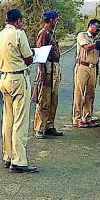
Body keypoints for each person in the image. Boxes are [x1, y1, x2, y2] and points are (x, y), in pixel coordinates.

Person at [0, 8, 38, 173]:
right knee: (20, 119)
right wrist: (33, 53)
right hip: (18, 78)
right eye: (22, 21)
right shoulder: (19, 34)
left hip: (4, 77)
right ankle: (19, 160)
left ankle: (8, 155)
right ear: (18, 21)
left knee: (8, 119)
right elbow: (28, 59)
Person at [33, 11, 63, 139]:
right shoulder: (43, 33)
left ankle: (49, 126)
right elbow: (40, 55)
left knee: (53, 99)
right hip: (47, 69)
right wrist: (42, 73)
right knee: (44, 99)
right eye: (55, 19)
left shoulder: (51, 33)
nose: (57, 21)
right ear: (50, 20)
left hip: (54, 68)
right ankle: (39, 128)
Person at [72, 19, 100, 128]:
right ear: (91, 26)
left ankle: (87, 117)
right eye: (97, 26)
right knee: (79, 93)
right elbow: (86, 47)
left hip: (93, 67)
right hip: (83, 66)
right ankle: (76, 118)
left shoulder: (98, 38)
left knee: (90, 94)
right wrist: (97, 44)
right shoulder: (82, 35)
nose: (98, 29)